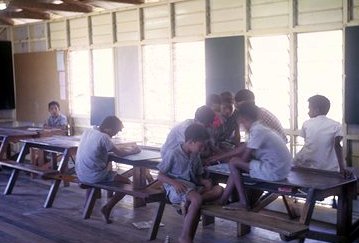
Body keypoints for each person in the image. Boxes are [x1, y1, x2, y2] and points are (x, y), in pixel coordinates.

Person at [157, 124, 223, 243]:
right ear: (191, 142)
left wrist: (204, 181)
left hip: (192, 187)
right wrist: (175, 183)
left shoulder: (195, 155)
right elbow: (160, 175)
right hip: (176, 189)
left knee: (219, 189)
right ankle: (184, 237)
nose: (203, 149)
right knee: (196, 200)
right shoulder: (173, 153)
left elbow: (197, 176)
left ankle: (189, 202)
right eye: (201, 145)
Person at [219, 102, 292, 209]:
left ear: (244, 119)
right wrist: (219, 157)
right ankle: (223, 199)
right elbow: (244, 148)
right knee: (234, 163)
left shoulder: (257, 131)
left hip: (275, 170)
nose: (241, 126)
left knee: (234, 163)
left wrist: (231, 159)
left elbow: (245, 157)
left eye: (241, 122)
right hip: (282, 169)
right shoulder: (259, 128)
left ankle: (243, 202)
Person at [75, 116, 141, 224]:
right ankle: (107, 208)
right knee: (128, 185)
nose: (115, 134)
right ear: (108, 128)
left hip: (81, 173)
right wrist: (135, 151)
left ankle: (87, 205)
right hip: (94, 176)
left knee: (112, 175)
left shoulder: (88, 131)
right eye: (115, 131)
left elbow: (107, 149)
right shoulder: (104, 137)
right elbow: (120, 153)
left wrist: (124, 149)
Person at [294, 95, 347, 174]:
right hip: (329, 169)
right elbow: (337, 146)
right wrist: (342, 168)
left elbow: (307, 144)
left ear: (317, 110)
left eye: (309, 108)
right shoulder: (336, 125)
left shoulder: (306, 124)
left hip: (307, 167)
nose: (308, 112)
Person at [217, 89, 287, 144]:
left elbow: (250, 145)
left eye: (237, 106)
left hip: (273, 150)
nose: (227, 111)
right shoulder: (260, 112)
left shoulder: (258, 117)